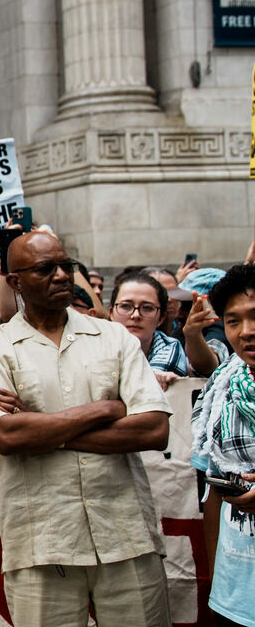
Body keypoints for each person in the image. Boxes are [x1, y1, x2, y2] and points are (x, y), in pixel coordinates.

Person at [0, 231, 171, 626]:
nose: (63, 276)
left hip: (125, 534)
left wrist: (42, 426)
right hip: (43, 543)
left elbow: (152, 430)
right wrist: (105, 409)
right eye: (46, 269)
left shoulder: (114, 337)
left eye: (68, 266)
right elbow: (8, 437)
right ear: (15, 281)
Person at [190, 264, 255, 627]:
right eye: (233, 321)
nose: (246, 332)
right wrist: (218, 580)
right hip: (238, 594)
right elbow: (213, 494)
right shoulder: (223, 389)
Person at [109, 272, 189, 388]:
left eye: (147, 308)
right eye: (126, 306)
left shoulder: (169, 346)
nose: (135, 315)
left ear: (161, 318)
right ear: (111, 313)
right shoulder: (93, 344)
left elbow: (143, 388)